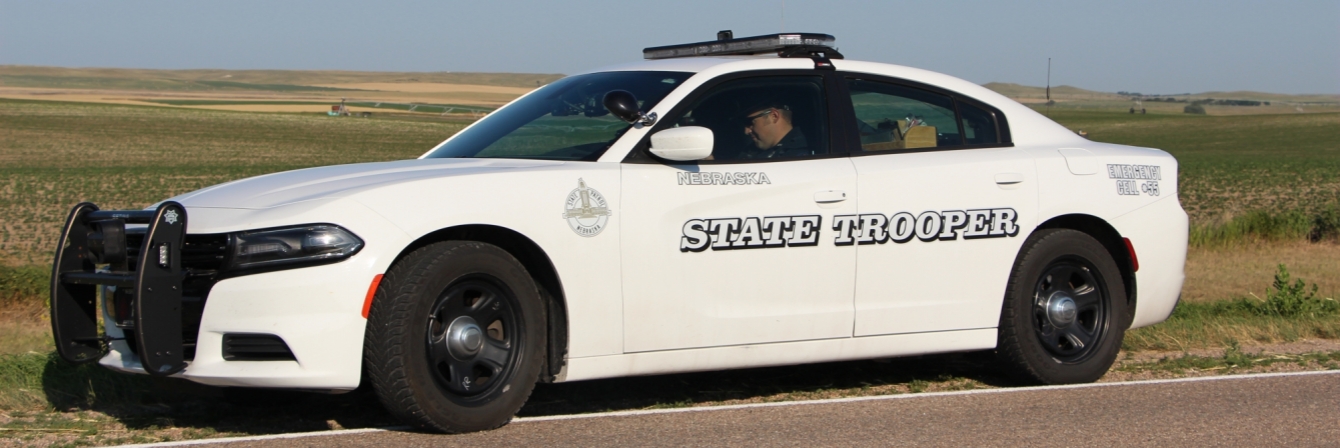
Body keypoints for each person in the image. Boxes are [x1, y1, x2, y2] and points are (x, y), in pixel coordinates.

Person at [737, 101, 811, 159]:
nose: (746, 131)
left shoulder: (803, 155)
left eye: (749, 122)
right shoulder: (749, 152)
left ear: (774, 116)